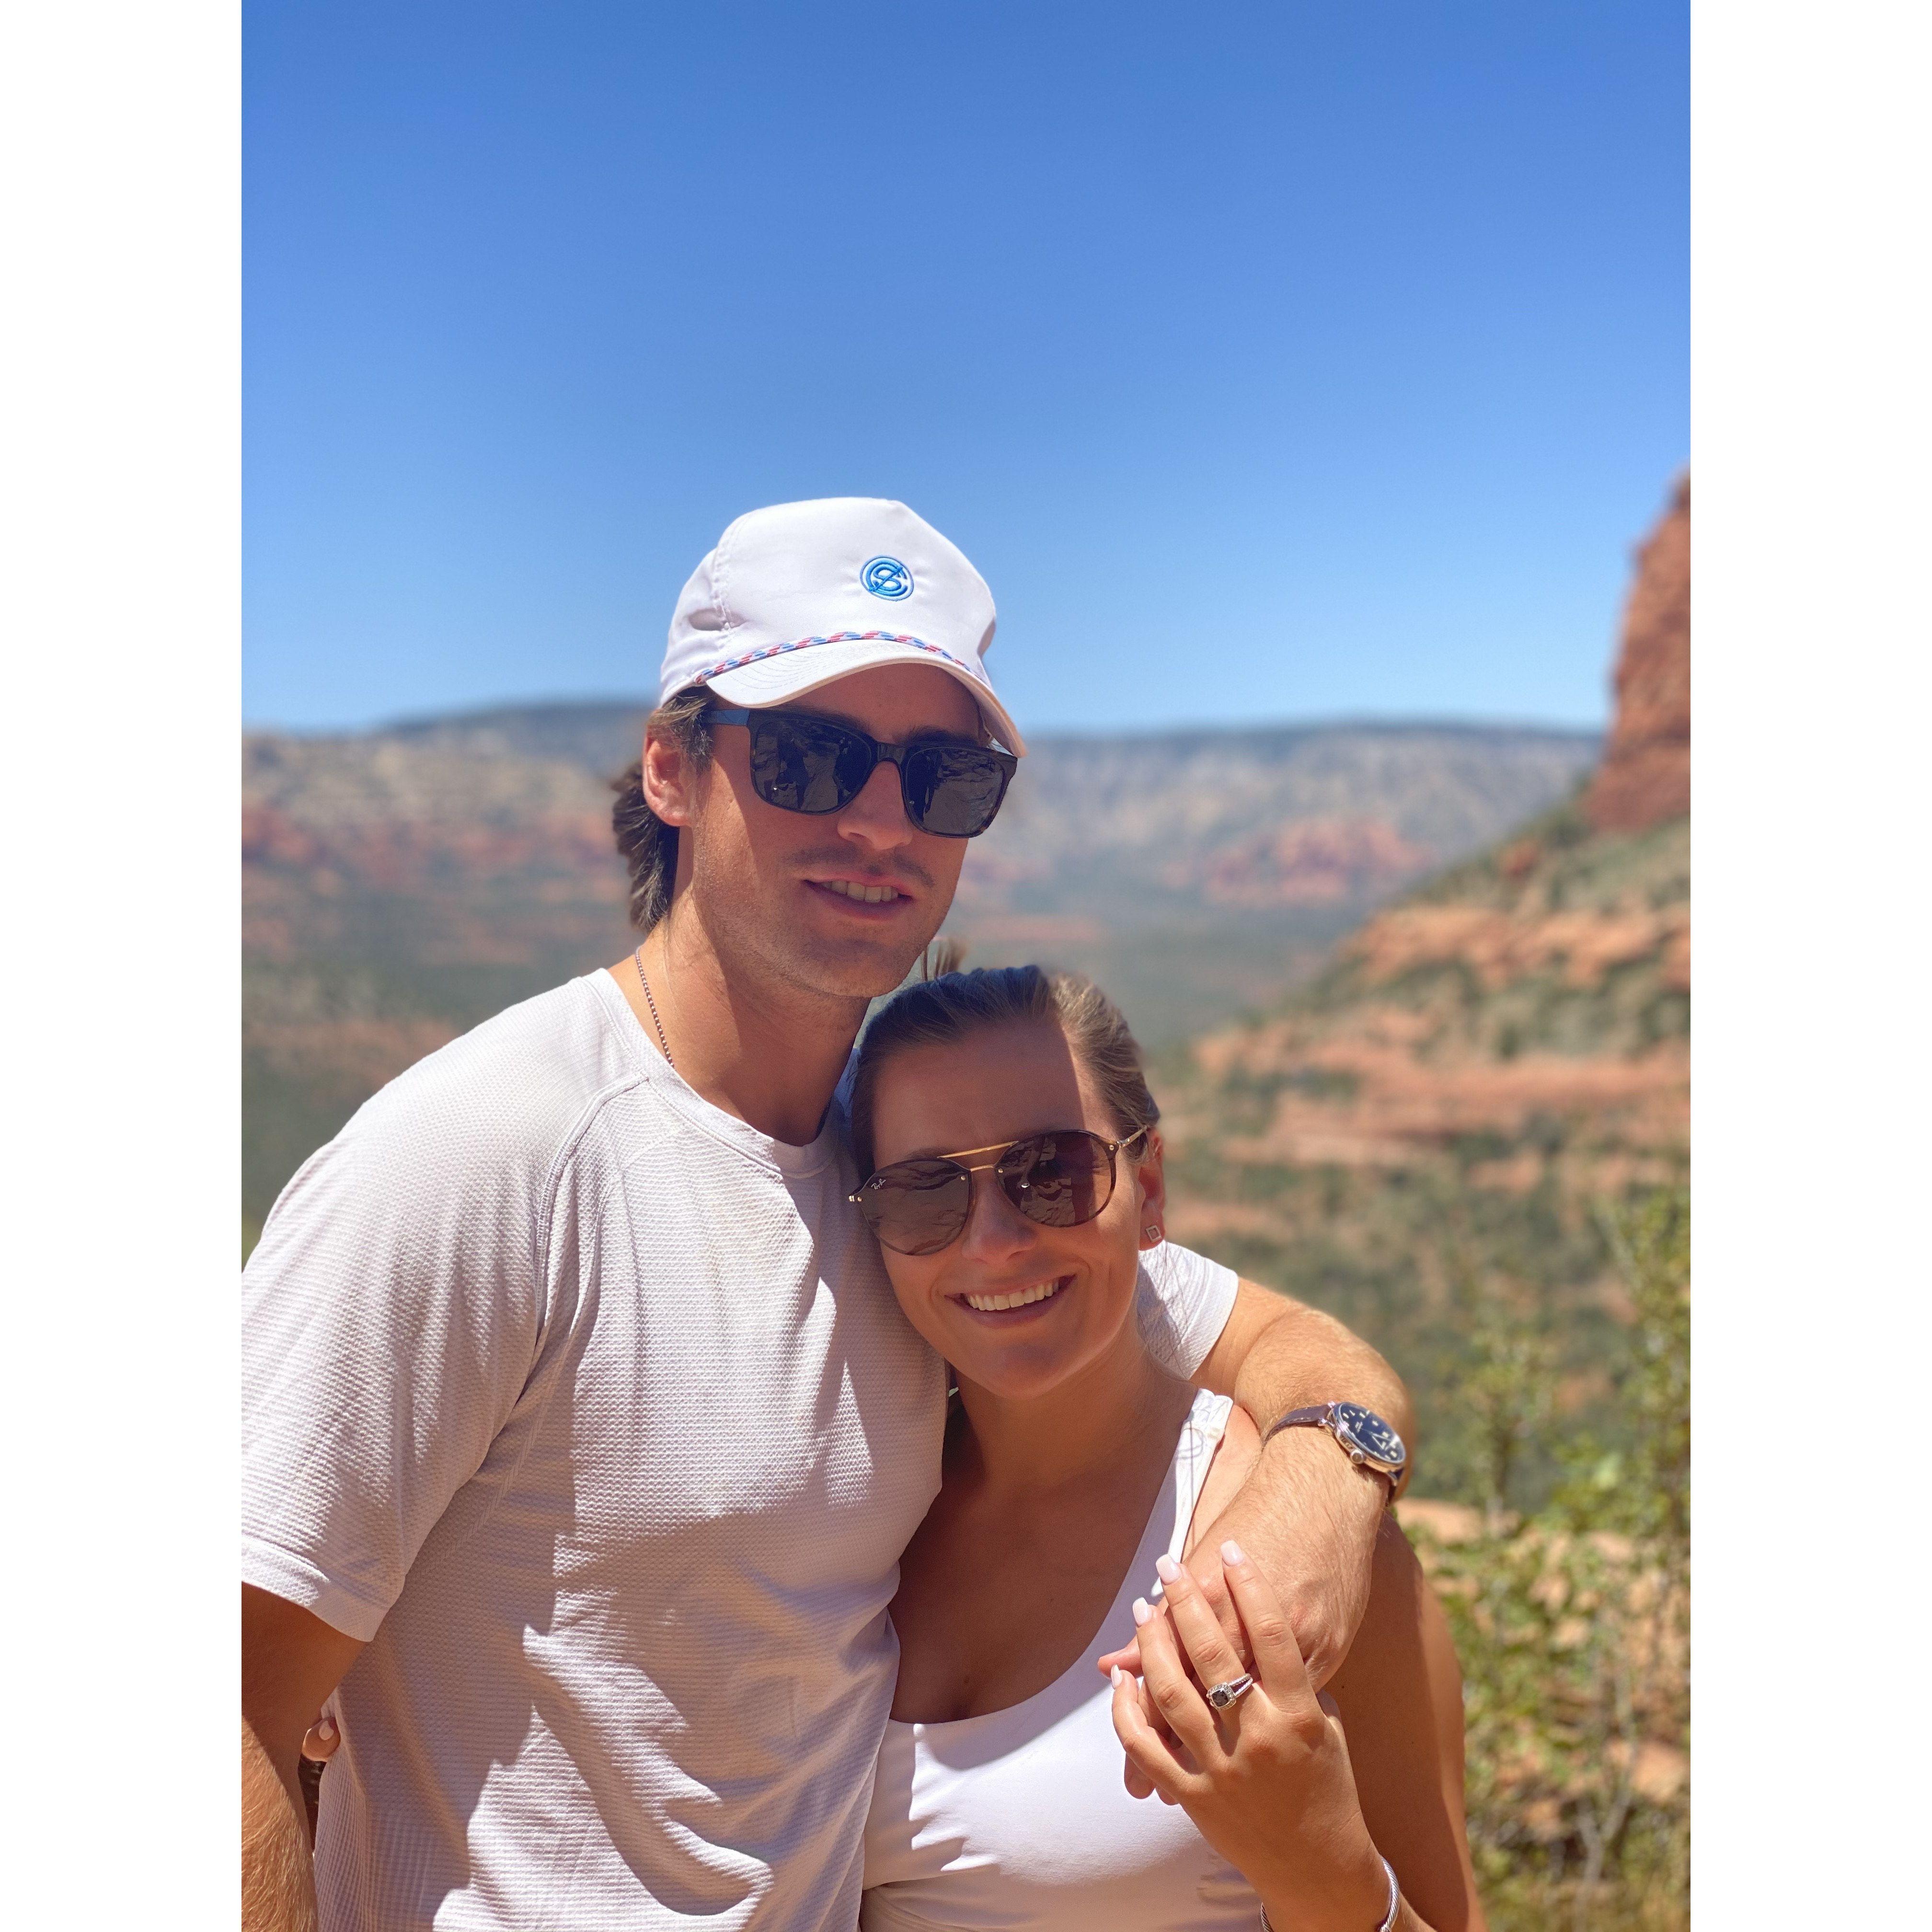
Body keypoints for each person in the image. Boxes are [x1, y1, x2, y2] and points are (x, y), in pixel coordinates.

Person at [242, 498, 1417, 1931]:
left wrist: (1322, 1505)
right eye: (810, 757)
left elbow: (1307, 1355)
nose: (880, 822)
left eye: (944, 778)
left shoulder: (928, 1189)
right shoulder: (488, 1157)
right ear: (672, 770)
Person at [847, 966, 1483, 1932]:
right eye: (923, 1193)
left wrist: (1326, 1876)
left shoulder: (1298, 1547)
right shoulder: (852, 1514)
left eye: (1051, 1174)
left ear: (1146, 1190)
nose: (994, 1241)